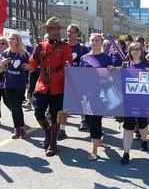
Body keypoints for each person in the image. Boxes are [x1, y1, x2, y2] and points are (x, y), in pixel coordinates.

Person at [29, 17, 73, 157]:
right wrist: (35, 55)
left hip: (57, 86)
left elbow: (68, 68)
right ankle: (48, 133)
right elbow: (33, 65)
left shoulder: (65, 47)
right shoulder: (40, 45)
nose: (55, 31)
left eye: (57, 29)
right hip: (42, 85)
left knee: (56, 116)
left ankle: (53, 142)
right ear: (47, 30)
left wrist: (53, 77)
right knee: (38, 113)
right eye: (52, 28)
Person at [79, 33, 114, 161]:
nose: (94, 43)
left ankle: (94, 151)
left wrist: (111, 70)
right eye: (92, 40)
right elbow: (79, 74)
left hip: (100, 95)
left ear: (101, 43)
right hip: (86, 95)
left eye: (97, 40)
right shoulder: (84, 58)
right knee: (88, 120)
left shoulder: (106, 58)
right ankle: (98, 136)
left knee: (95, 121)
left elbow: (111, 77)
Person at [120, 42, 149, 164]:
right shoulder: (125, 65)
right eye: (133, 49)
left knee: (142, 123)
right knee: (128, 125)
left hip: (143, 100)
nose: (135, 51)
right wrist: (113, 69)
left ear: (141, 51)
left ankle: (144, 140)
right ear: (129, 51)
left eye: (138, 49)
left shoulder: (146, 64)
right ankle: (126, 153)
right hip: (129, 101)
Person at [58, 24, 90, 140]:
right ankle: (62, 129)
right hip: (64, 80)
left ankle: (83, 120)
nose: (69, 34)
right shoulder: (61, 46)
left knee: (81, 102)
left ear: (77, 34)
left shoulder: (83, 48)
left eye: (71, 32)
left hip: (78, 81)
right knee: (65, 105)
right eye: (67, 31)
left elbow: (88, 63)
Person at [0, 33, 30, 139]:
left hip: (20, 84)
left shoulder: (24, 54)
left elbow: (31, 68)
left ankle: (22, 128)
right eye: (9, 38)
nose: (10, 40)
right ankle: (16, 128)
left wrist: (30, 67)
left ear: (18, 41)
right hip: (8, 84)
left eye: (13, 39)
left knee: (17, 106)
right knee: (13, 107)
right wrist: (3, 63)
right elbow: (0, 70)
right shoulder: (5, 53)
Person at [0, 37, 10, 125]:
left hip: (7, 80)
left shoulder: (9, 55)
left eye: (2, 43)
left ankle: (16, 116)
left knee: (7, 101)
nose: (0, 45)